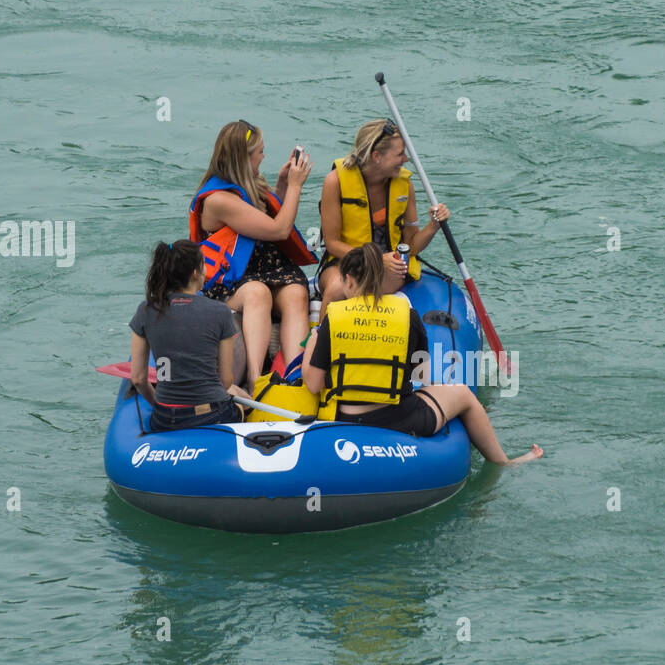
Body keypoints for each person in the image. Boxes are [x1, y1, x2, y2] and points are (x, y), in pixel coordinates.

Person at [302, 245, 541, 465]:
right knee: (464, 395)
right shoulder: (408, 314)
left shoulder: (334, 318)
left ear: (349, 281)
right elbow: (422, 376)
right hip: (401, 418)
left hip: (344, 419)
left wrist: (314, 338)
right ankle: (505, 462)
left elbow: (313, 384)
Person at [191, 120, 315, 382]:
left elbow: (269, 218)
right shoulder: (219, 200)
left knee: (296, 293)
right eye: (260, 151)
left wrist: (281, 186)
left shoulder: (252, 182)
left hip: (269, 268)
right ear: (243, 158)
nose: (264, 156)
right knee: (258, 293)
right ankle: (256, 380)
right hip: (232, 280)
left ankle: (295, 376)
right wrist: (295, 187)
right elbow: (279, 230)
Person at [315, 119, 450, 316]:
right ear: (377, 156)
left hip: (389, 267)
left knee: (382, 285)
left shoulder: (405, 186)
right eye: (399, 154)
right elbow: (333, 244)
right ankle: (320, 340)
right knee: (337, 287)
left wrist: (434, 225)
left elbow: (410, 246)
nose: (405, 159)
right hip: (344, 262)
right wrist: (377, 259)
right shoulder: (335, 182)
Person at [129, 240, 253, 431]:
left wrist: (160, 406)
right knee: (241, 405)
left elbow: (137, 378)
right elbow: (225, 381)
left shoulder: (145, 309)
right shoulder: (219, 312)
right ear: (195, 273)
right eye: (204, 266)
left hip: (164, 418)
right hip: (212, 414)